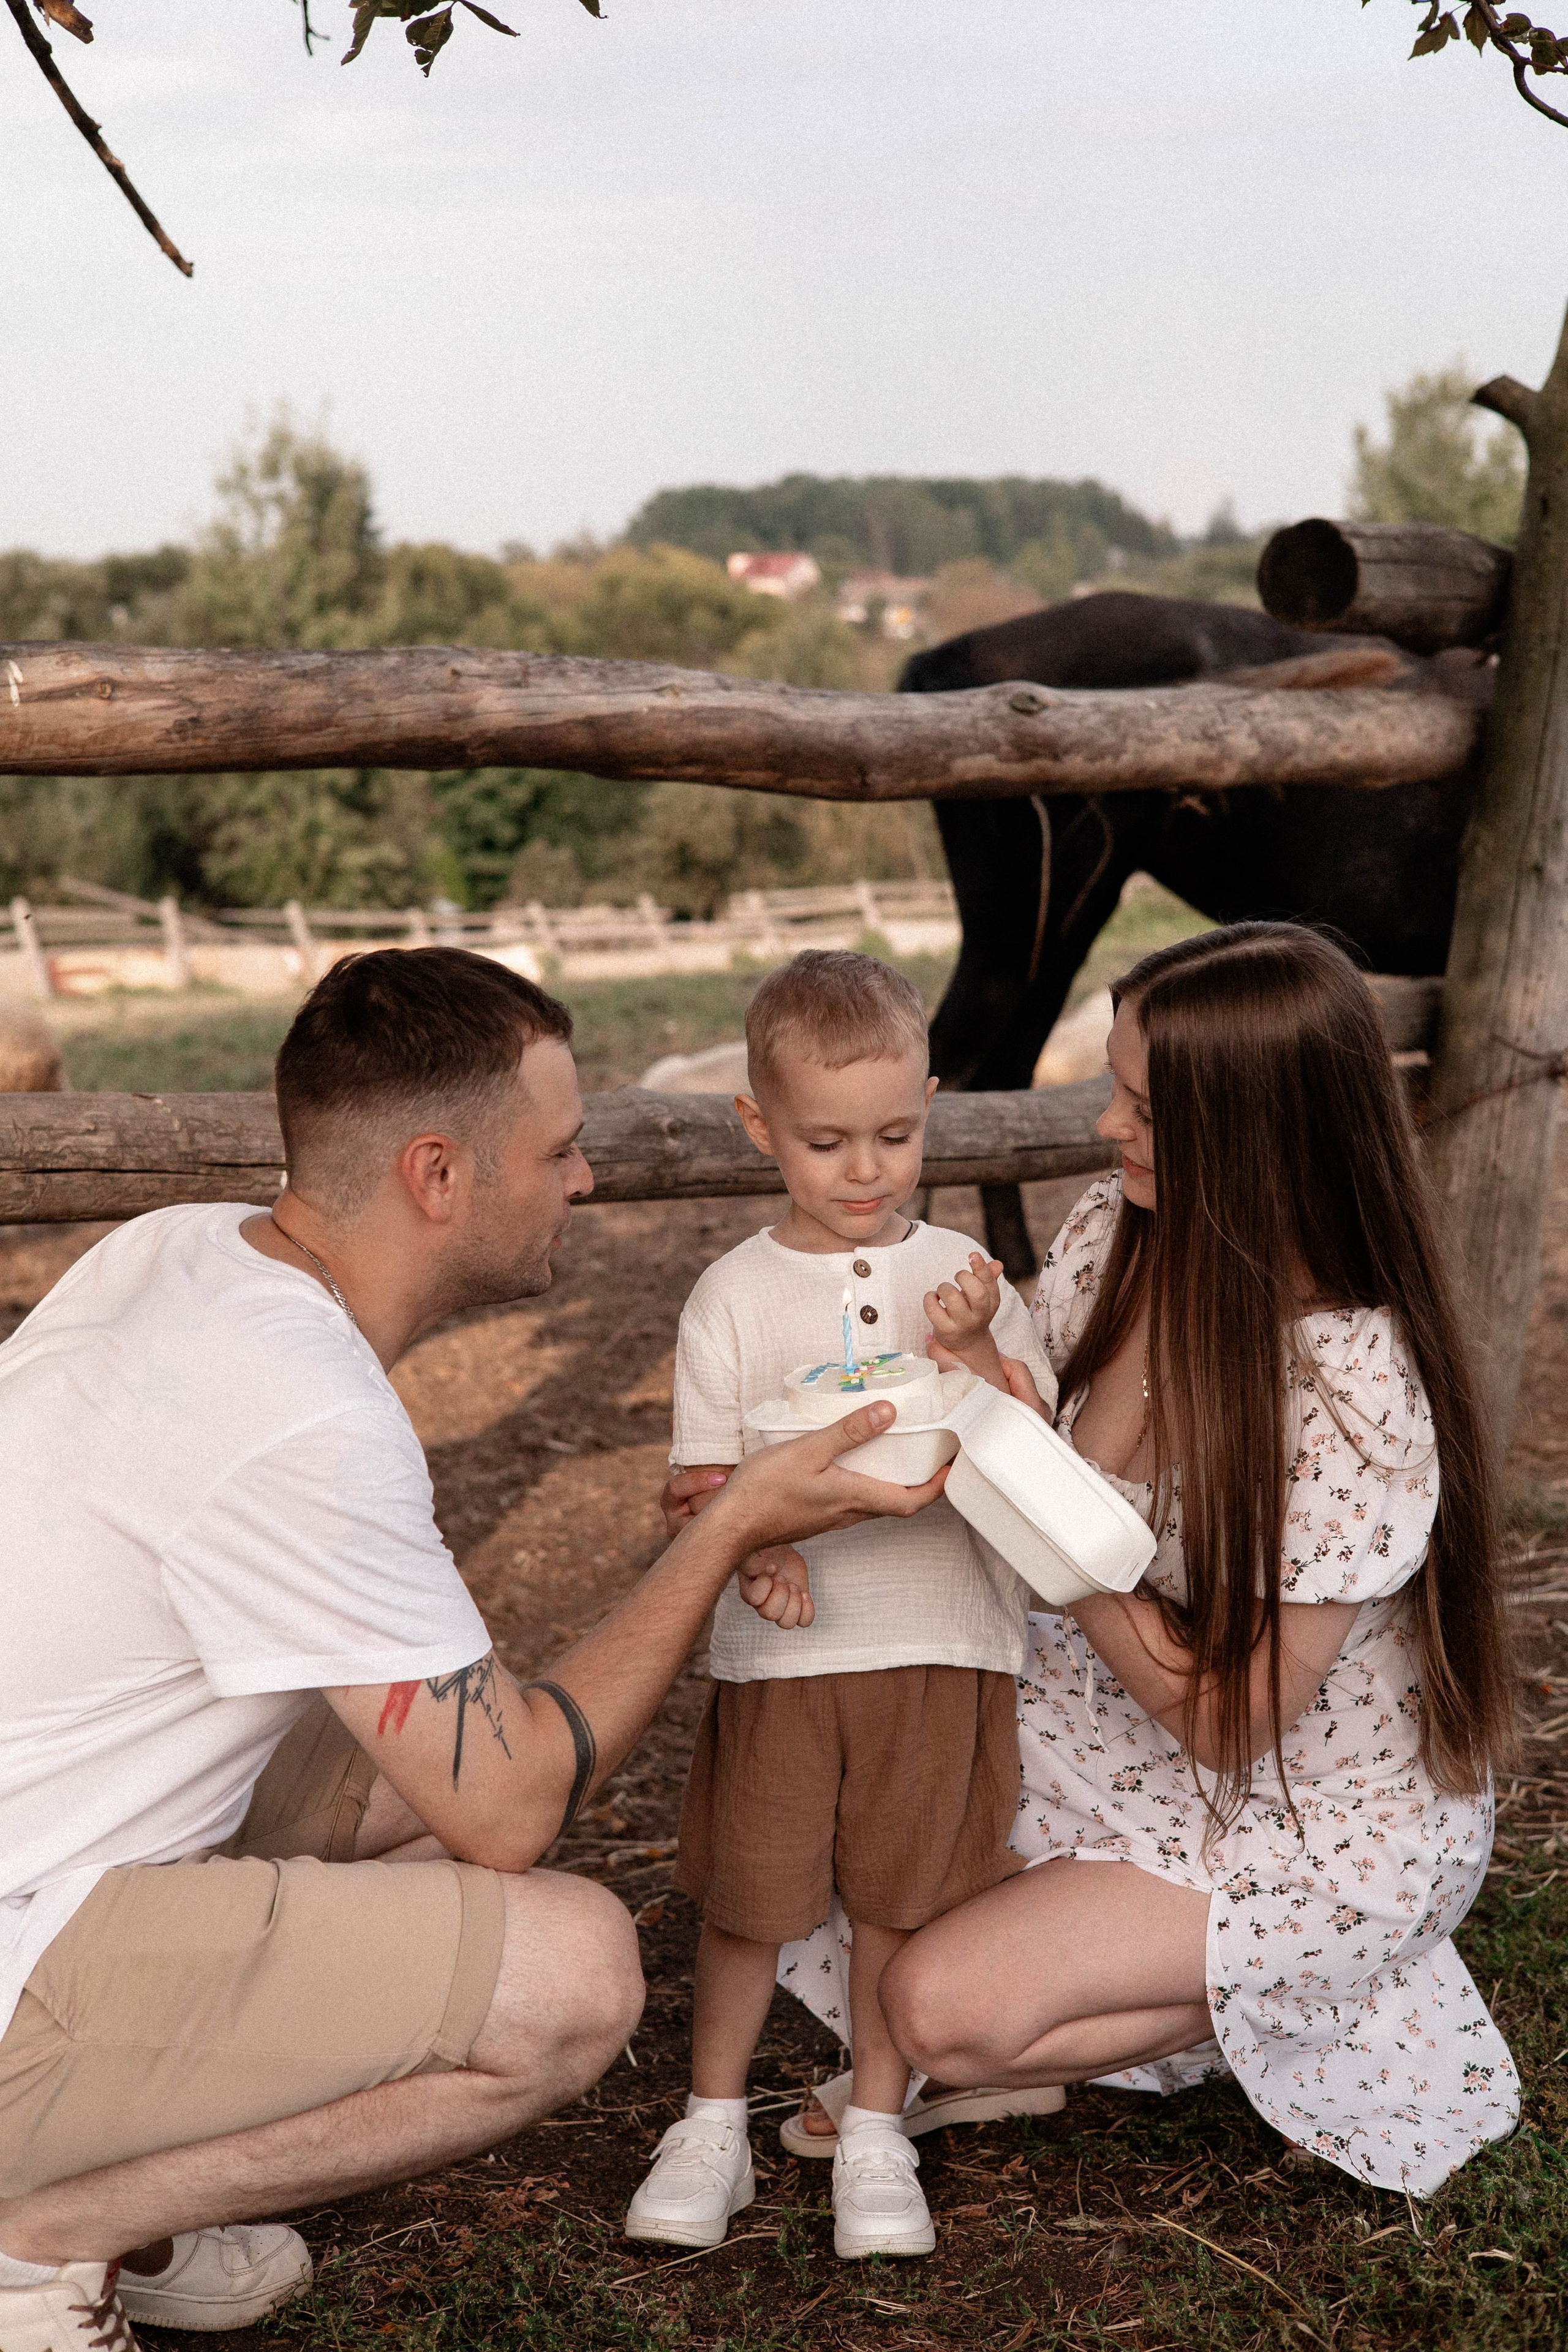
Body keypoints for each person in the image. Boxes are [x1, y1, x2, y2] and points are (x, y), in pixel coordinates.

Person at [0, 946, 949, 2352]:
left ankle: (119, 2189)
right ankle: (43, 2235)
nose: (584, 1181)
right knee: (572, 1976)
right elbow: (509, 1810)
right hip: (24, 1943)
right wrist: (732, 1522)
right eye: (558, 1151)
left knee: (417, 1775)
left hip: (43, 1829)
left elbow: (469, 1771)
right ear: (437, 1176)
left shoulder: (179, 1247)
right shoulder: (305, 1412)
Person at [871, 922, 1520, 2198]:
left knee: (936, 2012)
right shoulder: (1121, 1229)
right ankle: (1202, 1974)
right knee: (850, 1850)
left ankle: (1332, 1969)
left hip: (1300, 1803)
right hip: (1100, 1713)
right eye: (1115, 1087)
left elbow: (1230, 1723)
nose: (1108, 1127)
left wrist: (1063, 1538)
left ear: (1258, 1133)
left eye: (1146, 1107)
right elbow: (1055, 1443)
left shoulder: (1349, 1389)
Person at [624, 951, 1058, 2263]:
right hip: (787, 1654)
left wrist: (978, 1352)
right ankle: (709, 2123)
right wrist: (752, 1544)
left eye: (894, 1135)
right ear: (759, 1127)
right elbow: (699, 1482)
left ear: (929, 1104)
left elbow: (1034, 1449)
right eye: (825, 1141)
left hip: (943, 1638)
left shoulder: (967, 1275)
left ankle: (875, 2127)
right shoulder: (733, 1297)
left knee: (897, 1902)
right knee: (752, 1897)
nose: (865, 1170)